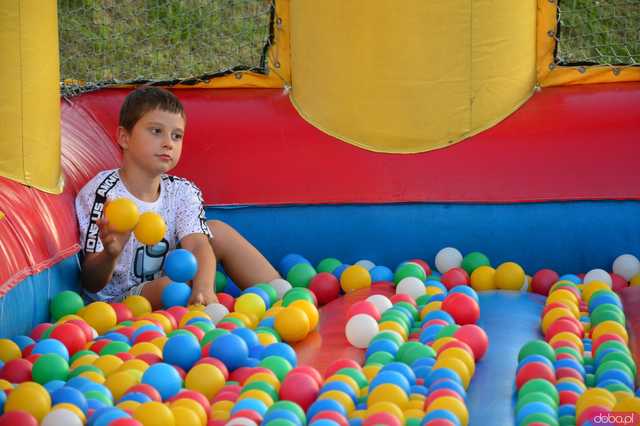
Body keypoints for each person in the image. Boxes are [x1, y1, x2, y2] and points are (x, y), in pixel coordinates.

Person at [76, 86, 280, 309]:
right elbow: (91, 281)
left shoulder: (182, 191)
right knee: (175, 288)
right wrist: (110, 254)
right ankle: (198, 302)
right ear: (124, 138)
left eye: (177, 135)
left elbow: (197, 246)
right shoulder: (105, 194)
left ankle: (283, 297)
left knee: (217, 231)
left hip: (172, 281)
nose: (168, 143)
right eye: (156, 131)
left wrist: (204, 290)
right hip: (118, 303)